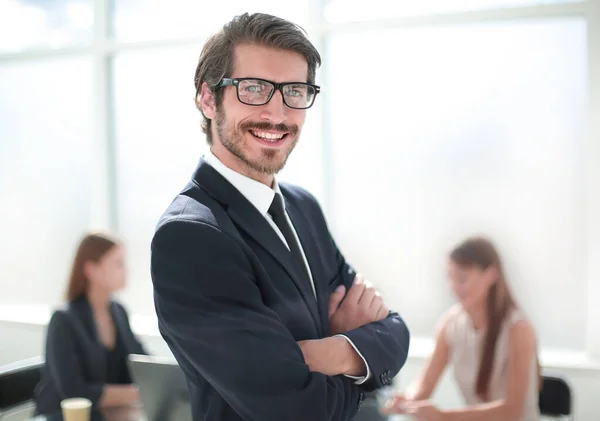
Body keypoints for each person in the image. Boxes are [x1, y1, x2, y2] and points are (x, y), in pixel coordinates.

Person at [150, 12, 410, 421]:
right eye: (253, 89)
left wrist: (331, 349)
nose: (277, 114)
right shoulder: (191, 235)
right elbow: (299, 409)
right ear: (207, 97)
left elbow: (396, 333)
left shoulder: (302, 205)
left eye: (294, 90)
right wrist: (357, 351)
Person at [382, 237, 540, 421]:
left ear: (491, 275)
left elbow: (512, 411)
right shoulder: (451, 324)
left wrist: (442, 417)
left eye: (462, 279)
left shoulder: (518, 329)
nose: (454, 288)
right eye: (450, 278)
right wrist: (406, 399)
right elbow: (424, 386)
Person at [34, 233, 147, 415]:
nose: (126, 270)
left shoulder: (118, 312)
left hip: (106, 415)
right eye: (118, 264)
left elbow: (143, 363)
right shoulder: (63, 320)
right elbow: (75, 392)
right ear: (91, 269)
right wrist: (136, 393)